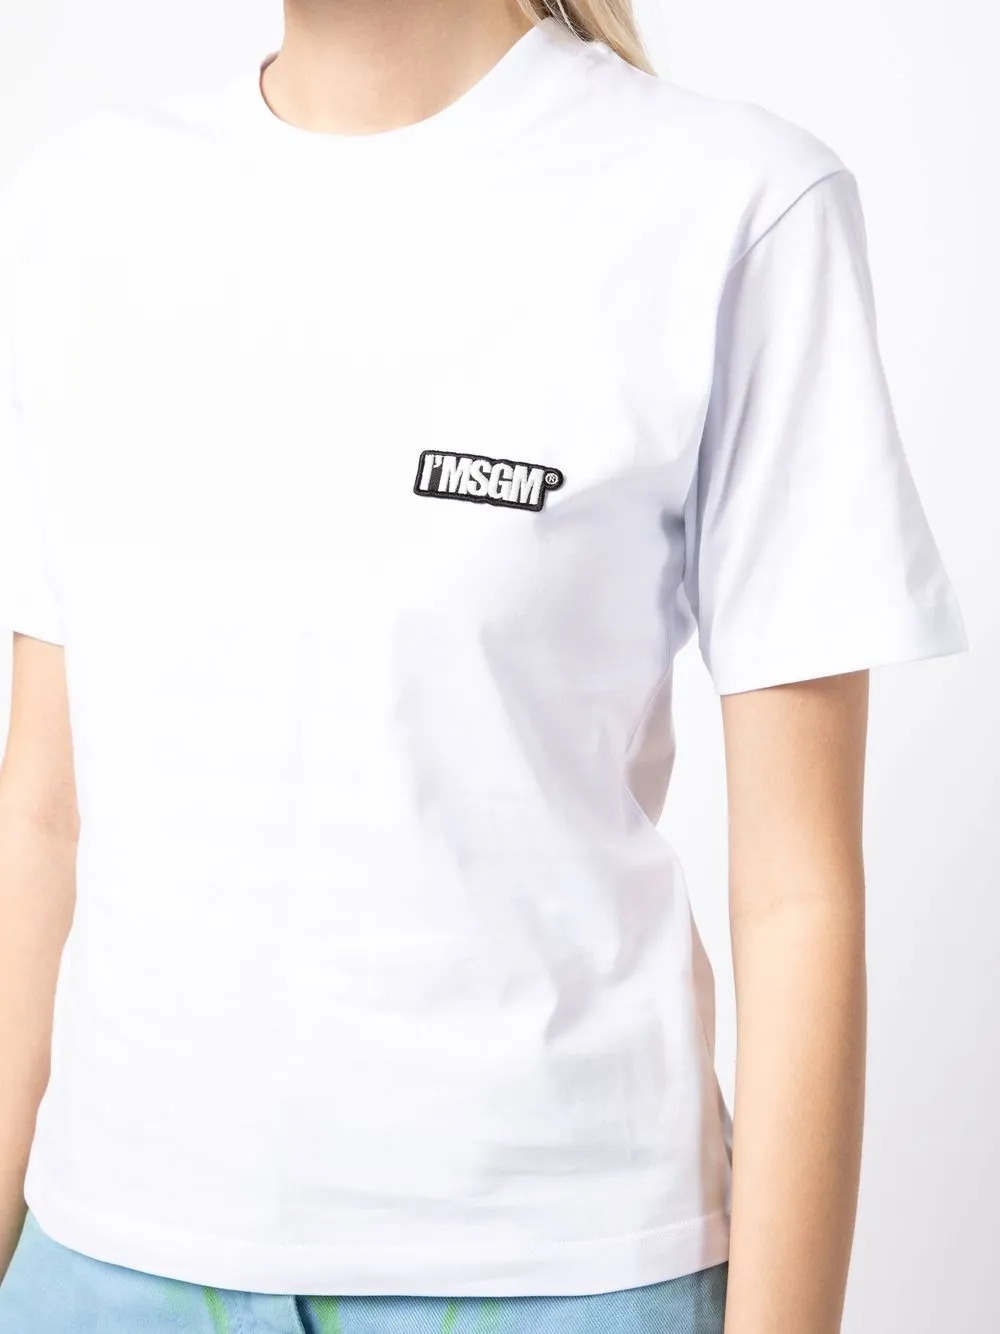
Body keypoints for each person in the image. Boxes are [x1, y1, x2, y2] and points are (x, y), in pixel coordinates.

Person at [0, 1, 968, 1331]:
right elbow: (43, 813)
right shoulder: (81, 210)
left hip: (564, 1275)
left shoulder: (733, 204)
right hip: (100, 1261)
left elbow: (798, 890)